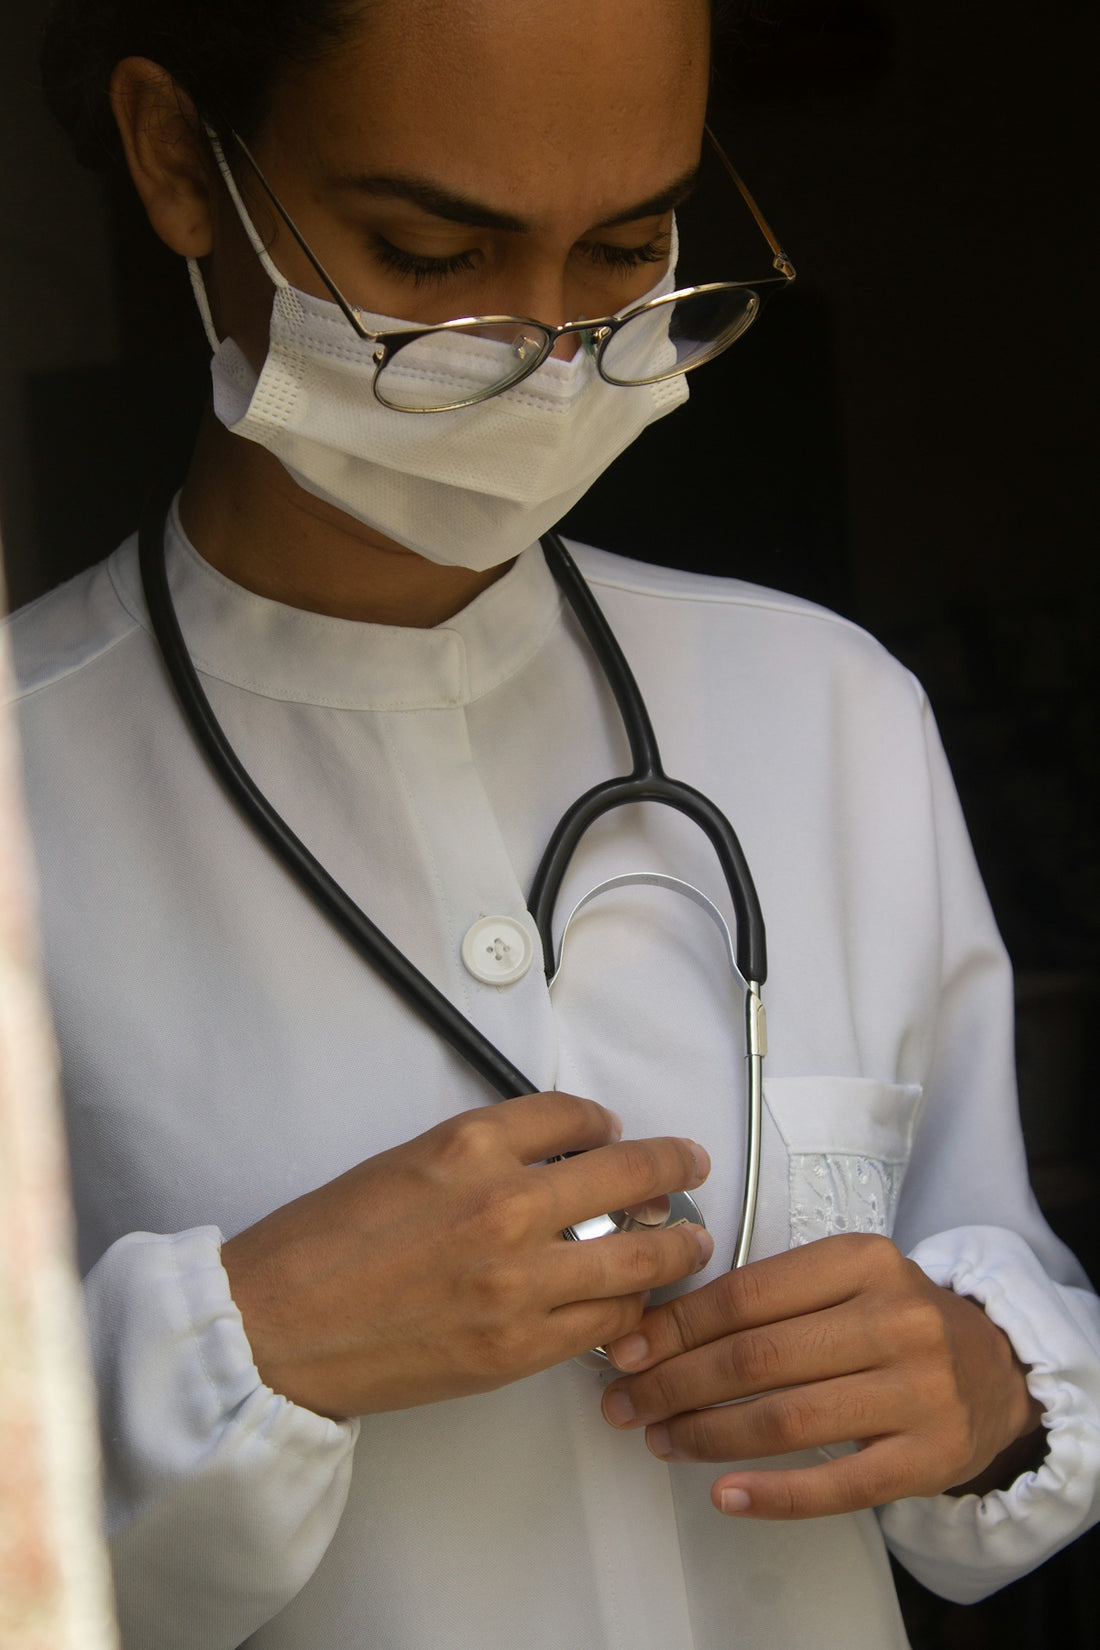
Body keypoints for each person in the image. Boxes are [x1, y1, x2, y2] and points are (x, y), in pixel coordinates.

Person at [9, 0, 1100, 1646]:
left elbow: (1000, 1331)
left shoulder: (826, 712)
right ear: (180, 163)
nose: (545, 348)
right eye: (432, 252)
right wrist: (247, 1340)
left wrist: (981, 1386)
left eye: (626, 249)